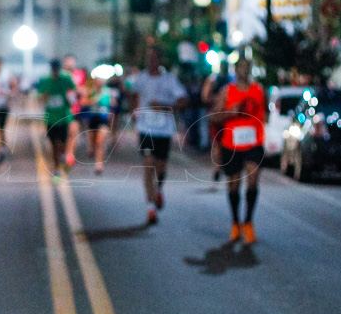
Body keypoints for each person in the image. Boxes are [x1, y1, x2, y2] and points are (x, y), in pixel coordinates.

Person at [128, 45, 188, 225]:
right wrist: (133, 110)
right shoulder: (141, 78)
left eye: (154, 58)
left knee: (160, 168)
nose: (151, 61)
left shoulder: (169, 80)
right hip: (146, 128)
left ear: (160, 60)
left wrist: (163, 107)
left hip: (164, 130)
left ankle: (159, 188)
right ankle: (151, 208)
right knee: (148, 166)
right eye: (149, 58)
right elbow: (131, 92)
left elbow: (184, 101)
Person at [212, 57, 267, 244]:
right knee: (233, 184)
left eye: (247, 67)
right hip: (231, 144)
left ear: (250, 69)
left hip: (253, 143)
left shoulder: (258, 91)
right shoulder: (227, 91)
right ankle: (236, 222)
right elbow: (213, 117)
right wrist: (229, 113)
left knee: (253, 179)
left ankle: (249, 222)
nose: (244, 70)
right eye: (241, 67)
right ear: (236, 69)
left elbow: (264, 113)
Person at [35, 59, 75, 178]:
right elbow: (39, 98)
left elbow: (72, 92)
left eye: (57, 69)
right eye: (54, 69)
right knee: (53, 144)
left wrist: (72, 101)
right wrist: (44, 96)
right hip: (51, 118)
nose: (56, 72)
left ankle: (62, 156)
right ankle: (56, 168)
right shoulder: (45, 80)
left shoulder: (66, 79)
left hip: (63, 117)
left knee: (61, 143)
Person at [202, 65, 232, 181]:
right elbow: (205, 97)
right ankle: (217, 167)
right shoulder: (212, 80)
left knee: (226, 142)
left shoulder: (231, 81)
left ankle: (223, 165)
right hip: (215, 116)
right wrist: (218, 99)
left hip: (228, 117)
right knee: (216, 143)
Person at [86, 72, 118, 175]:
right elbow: (84, 102)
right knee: (93, 142)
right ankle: (91, 148)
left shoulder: (108, 91)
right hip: (93, 118)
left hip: (103, 120)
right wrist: (93, 100)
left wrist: (112, 111)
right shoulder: (91, 91)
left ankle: (99, 164)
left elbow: (114, 105)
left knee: (100, 141)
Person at [62, 55, 86, 167]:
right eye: (68, 62)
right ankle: (63, 151)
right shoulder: (60, 75)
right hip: (62, 110)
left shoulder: (79, 74)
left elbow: (83, 89)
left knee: (73, 132)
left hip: (75, 109)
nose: (70, 64)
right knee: (63, 134)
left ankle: (70, 154)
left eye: (72, 62)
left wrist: (79, 92)